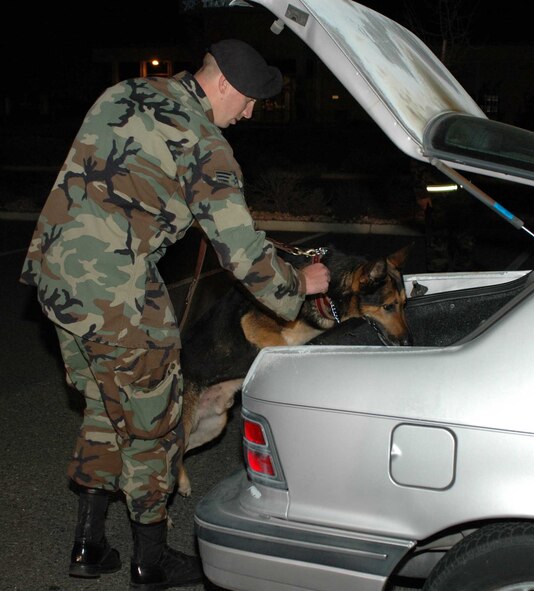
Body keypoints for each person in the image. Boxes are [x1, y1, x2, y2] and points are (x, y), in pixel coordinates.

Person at [19, 39, 330, 590]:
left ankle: (89, 546)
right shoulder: (207, 144)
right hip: (118, 296)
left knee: (102, 407)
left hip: (56, 279)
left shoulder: (128, 91)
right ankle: (151, 563)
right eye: (251, 100)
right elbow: (243, 252)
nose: (251, 113)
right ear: (226, 86)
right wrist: (297, 285)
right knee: (153, 430)